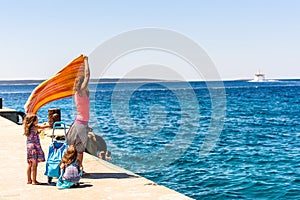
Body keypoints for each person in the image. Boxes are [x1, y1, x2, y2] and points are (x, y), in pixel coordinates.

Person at [66, 56, 90, 170]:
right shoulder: (80, 92)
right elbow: (87, 75)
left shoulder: (77, 93)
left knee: (78, 149)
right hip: (80, 124)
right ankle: (78, 169)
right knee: (80, 150)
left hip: (80, 123)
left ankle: (77, 168)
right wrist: (86, 61)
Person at [23, 113, 49, 185]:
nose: (38, 120)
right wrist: (49, 124)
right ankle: (34, 181)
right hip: (35, 147)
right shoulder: (35, 127)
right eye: (37, 119)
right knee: (35, 165)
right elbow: (43, 127)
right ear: (33, 121)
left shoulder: (27, 128)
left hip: (29, 147)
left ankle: (29, 180)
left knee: (30, 164)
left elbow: (34, 133)